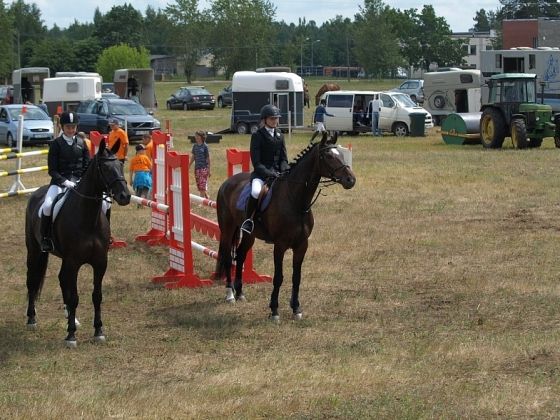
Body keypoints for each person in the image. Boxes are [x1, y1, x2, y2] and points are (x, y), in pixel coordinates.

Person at [40, 111, 91, 252]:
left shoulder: (81, 143)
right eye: (68, 127)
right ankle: (45, 238)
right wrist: (64, 181)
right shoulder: (56, 144)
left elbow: (88, 163)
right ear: (62, 127)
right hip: (60, 183)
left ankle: (105, 235)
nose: (71, 130)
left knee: (104, 204)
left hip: (80, 182)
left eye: (73, 127)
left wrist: (82, 179)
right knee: (48, 206)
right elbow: (52, 170)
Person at [241, 104, 288, 234]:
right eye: (272, 118)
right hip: (261, 174)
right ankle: (248, 221)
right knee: (256, 192)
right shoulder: (257, 135)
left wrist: (283, 170)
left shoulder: (280, 134)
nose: (275, 121)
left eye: (276, 118)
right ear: (265, 119)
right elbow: (256, 162)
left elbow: (284, 158)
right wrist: (268, 173)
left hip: (278, 173)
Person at [188, 130, 211, 201]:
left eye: (197, 136)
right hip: (197, 168)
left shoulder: (205, 146)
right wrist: (188, 166)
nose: (196, 137)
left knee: (202, 184)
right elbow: (193, 157)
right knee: (199, 185)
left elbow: (208, 158)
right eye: (195, 136)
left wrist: (209, 169)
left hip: (204, 168)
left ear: (201, 137)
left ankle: (202, 201)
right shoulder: (195, 146)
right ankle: (207, 196)